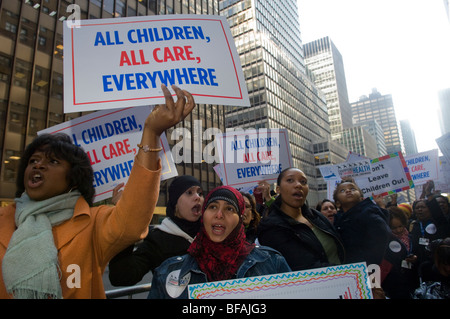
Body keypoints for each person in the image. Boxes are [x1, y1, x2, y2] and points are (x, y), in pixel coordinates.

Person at [0, 84, 196, 299]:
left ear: (73, 179)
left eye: (53, 161)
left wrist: (151, 132)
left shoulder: (92, 224)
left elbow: (133, 220)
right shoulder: (4, 220)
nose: (38, 166)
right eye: (33, 161)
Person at [148, 186, 291, 299]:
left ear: (240, 219)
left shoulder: (272, 263)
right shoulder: (170, 271)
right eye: (213, 207)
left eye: (229, 209)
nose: (219, 214)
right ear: (203, 215)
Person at [108, 175, 204, 286]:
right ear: (175, 202)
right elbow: (121, 277)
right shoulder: (158, 240)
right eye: (189, 192)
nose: (197, 197)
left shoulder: (212, 234)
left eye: (200, 193)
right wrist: (124, 216)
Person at [257, 168, 345, 271]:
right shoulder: (272, 227)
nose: (298, 185)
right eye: (290, 180)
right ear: (278, 190)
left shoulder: (316, 215)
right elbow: (307, 268)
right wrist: (347, 272)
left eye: (303, 182)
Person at [332, 177, 390, 266]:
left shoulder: (368, 213)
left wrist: (368, 265)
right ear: (337, 203)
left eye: (352, 189)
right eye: (342, 191)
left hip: (366, 269)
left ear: (361, 198)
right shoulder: (338, 220)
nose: (348, 191)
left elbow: (381, 238)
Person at [409, 197, 450, 268]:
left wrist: (429, 194)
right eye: (417, 208)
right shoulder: (414, 225)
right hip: (423, 264)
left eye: (423, 207)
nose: (420, 209)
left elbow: (438, 212)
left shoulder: (439, 222)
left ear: (430, 209)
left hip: (442, 261)